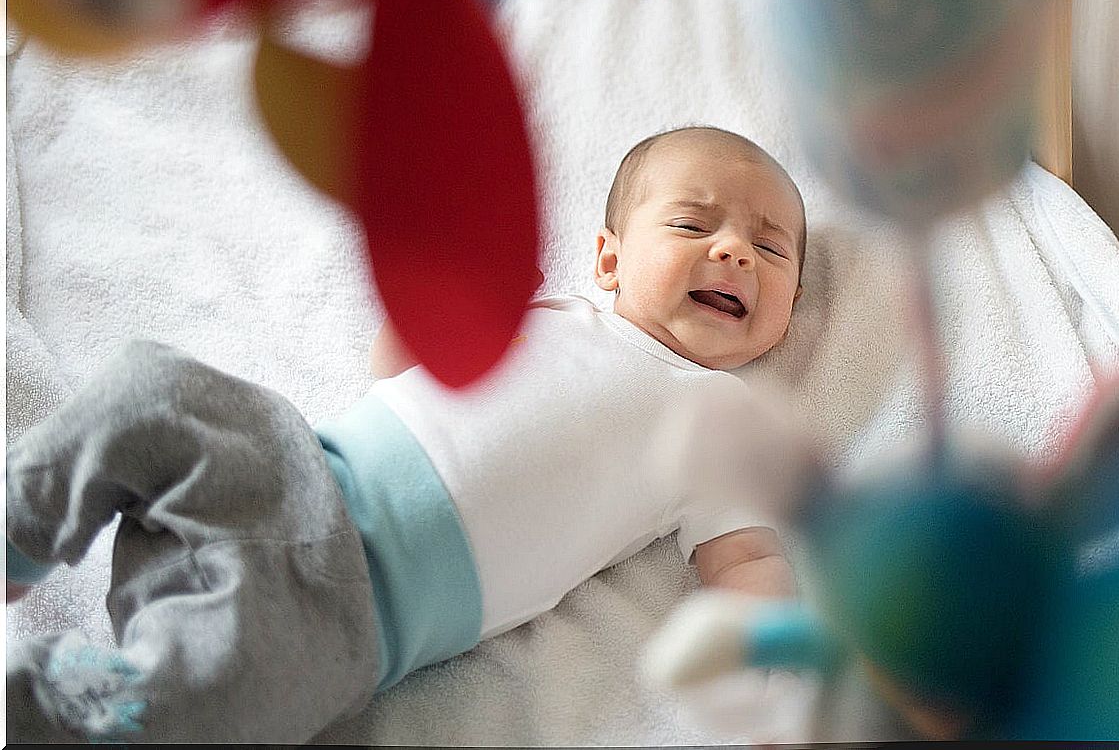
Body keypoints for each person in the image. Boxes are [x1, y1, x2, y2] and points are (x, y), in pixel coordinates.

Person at [6, 126, 807, 743]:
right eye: (692, 223)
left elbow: (745, 556)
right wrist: (439, 298)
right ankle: (20, 521)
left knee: (195, 713)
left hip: (347, 618)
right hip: (293, 472)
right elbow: (397, 369)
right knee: (156, 387)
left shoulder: (721, 414)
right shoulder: (550, 316)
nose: (733, 250)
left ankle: (47, 700)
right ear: (607, 259)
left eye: (770, 248)